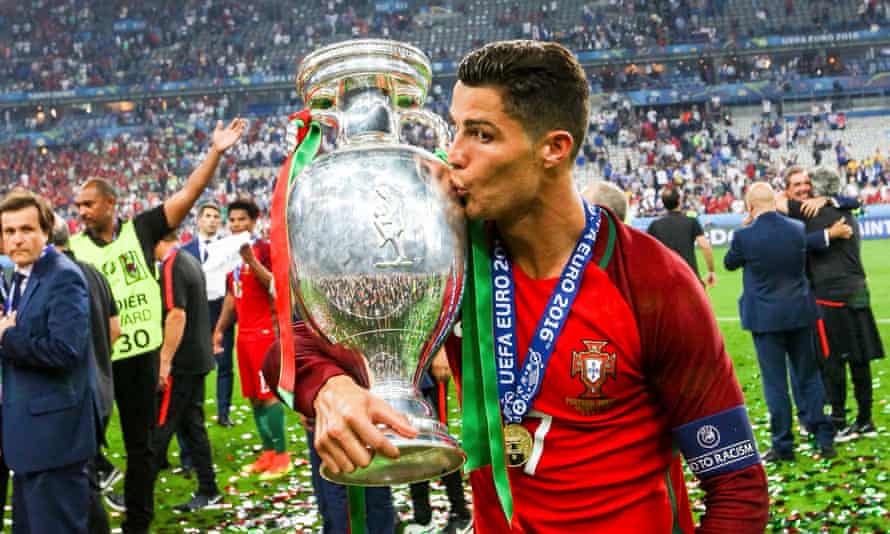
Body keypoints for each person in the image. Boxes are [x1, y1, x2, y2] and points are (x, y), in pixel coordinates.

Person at [291, 41, 768, 532]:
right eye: (457, 128)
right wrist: (330, 388)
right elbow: (297, 342)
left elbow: (737, 488)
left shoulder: (651, 282)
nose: (454, 154)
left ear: (553, 148)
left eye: (481, 134)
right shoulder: (450, 263)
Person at [69, 118, 245, 533]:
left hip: (140, 358)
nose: (80, 212)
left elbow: (188, 194)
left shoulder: (141, 230)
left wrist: (216, 152)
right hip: (97, 358)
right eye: (76, 206)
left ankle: (138, 521)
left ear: (110, 204)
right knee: (83, 445)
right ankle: (91, 513)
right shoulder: (72, 249)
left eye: (87, 205)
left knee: (142, 446)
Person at [0, 190, 99, 533]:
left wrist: (7, 338)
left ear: (45, 231)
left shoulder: (62, 275)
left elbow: (66, 350)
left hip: (54, 440)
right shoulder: (21, 277)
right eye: (9, 231)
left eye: (26, 229)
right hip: (29, 439)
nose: (17, 239)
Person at [724, 182, 836, 462]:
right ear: (775, 202)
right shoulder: (796, 230)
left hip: (765, 317)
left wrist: (747, 225)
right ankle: (823, 439)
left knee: (776, 384)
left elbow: (729, 262)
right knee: (809, 377)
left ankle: (784, 445)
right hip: (799, 311)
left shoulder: (744, 236)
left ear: (750, 206)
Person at [781, 167, 884, 440]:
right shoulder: (846, 212)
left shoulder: (811, 213)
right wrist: (833, 199)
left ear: (816, 189)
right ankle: (865, 419)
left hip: (830, 295)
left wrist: (822, 201)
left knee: (832, 359)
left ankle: (838, 420)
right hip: (859, 289)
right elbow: (855, 203)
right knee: (860, 357)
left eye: (808, 186)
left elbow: (777, 203)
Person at [52, 216, 121, 534]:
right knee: (82, 475)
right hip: (100, 385)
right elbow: (115, 330)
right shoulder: (93, 272)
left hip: (69, 392)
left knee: (77, 481)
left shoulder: (53, 278)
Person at [213, 197, 290, 480]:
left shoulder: (264, 249)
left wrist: (251, 260)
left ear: (254, 221)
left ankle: (283, 456)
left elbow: (275, 285)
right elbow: (233, 296)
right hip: (244, 336)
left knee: (268, 396)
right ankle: (268, 453)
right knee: (253, 398)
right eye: (232, 220)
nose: (236, 225)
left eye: (242, 220)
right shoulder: (229, 255)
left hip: (265, 334)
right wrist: (220, 328)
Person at [152, 230, 221, 511]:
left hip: (181, 364)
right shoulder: (188, 259)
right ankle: (209, 488)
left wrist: (164, 361)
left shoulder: (172, 266)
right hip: (196, 359)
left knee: (158, 427)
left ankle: (136, 492)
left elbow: (177, 313)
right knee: (192, 426)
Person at [403, 351, 471, 534]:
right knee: (411, 436)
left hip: (430, 365)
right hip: (407, 365)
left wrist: (442, 352)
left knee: (438, 439)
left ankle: (461, 512)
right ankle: (423, 516)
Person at [182, 203, 235, 427]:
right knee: (196, 369)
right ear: (199, 220)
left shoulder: (228, 248)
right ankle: (196, 414)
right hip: (195, 315)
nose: (212, 220)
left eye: (216, 216)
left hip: (222, 312)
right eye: (208, 216)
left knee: (224, 366)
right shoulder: (185, 251)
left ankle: (223, 413)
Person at [647, 187, 717, 288]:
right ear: (679, 200)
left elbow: (647, 253)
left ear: (663, 203)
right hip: (689, 277)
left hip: (666, 279)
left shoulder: (654, 225)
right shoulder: (691, 221)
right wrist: (711, 271)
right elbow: (705, 246)